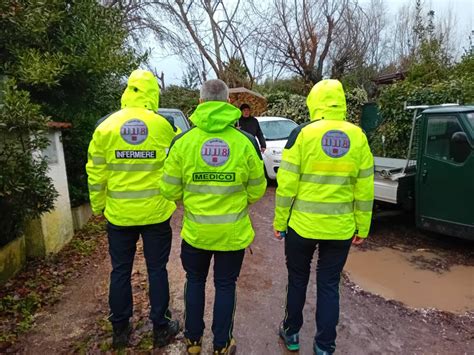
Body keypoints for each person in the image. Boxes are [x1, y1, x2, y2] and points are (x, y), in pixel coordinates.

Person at [160, 79, 267, 354]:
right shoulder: (245, 141)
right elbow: (258, 189)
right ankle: (221, 345)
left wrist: (192, 199)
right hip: (232, 234)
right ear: (228, 103)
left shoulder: (182, 142)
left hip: (196, 233)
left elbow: (169, 189)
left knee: (194, 282)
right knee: (225, 285)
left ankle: (193, 342)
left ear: (200, 103)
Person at [273, 79, 374, 355]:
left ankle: (291, 333)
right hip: (340, 229)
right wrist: (362, 226)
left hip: (302, 228)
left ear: (314, 102)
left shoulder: (301, 134)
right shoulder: (358, 136)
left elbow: (287, 185)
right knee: (329, 285)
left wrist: (280, 222)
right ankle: (324, 346)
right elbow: (364, 187)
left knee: (297, 280)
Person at [86, 69, 180, 350]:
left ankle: (119, 331)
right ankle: (161, 327)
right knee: (157, 270)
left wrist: (98, 206)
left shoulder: (105, 126)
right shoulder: (164, 126)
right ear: (153, 92)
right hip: (156, 213)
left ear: (127, 90)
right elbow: (175, 165)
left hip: (119, 214)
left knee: (120, 270)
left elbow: (95, 171)